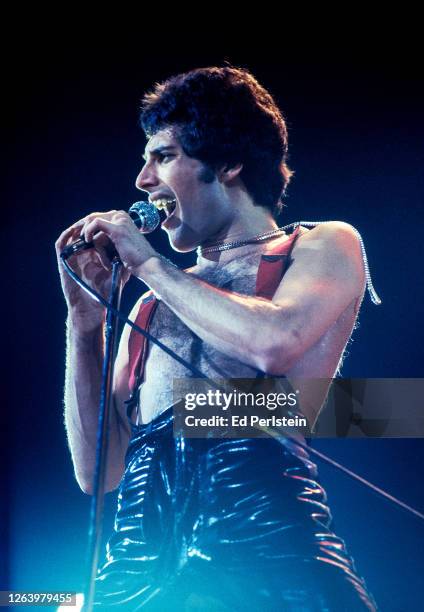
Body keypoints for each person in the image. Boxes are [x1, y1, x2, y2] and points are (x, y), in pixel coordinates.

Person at [56, 67, 378, 610]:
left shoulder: (322, 244)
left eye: (162, 157)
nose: (141, 179)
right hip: (137, 568)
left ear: (227, 163)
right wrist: (84, 327)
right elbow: (97, 473)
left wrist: (149, 263)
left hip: (267, 550)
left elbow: (275, 341)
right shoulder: (152, 303)